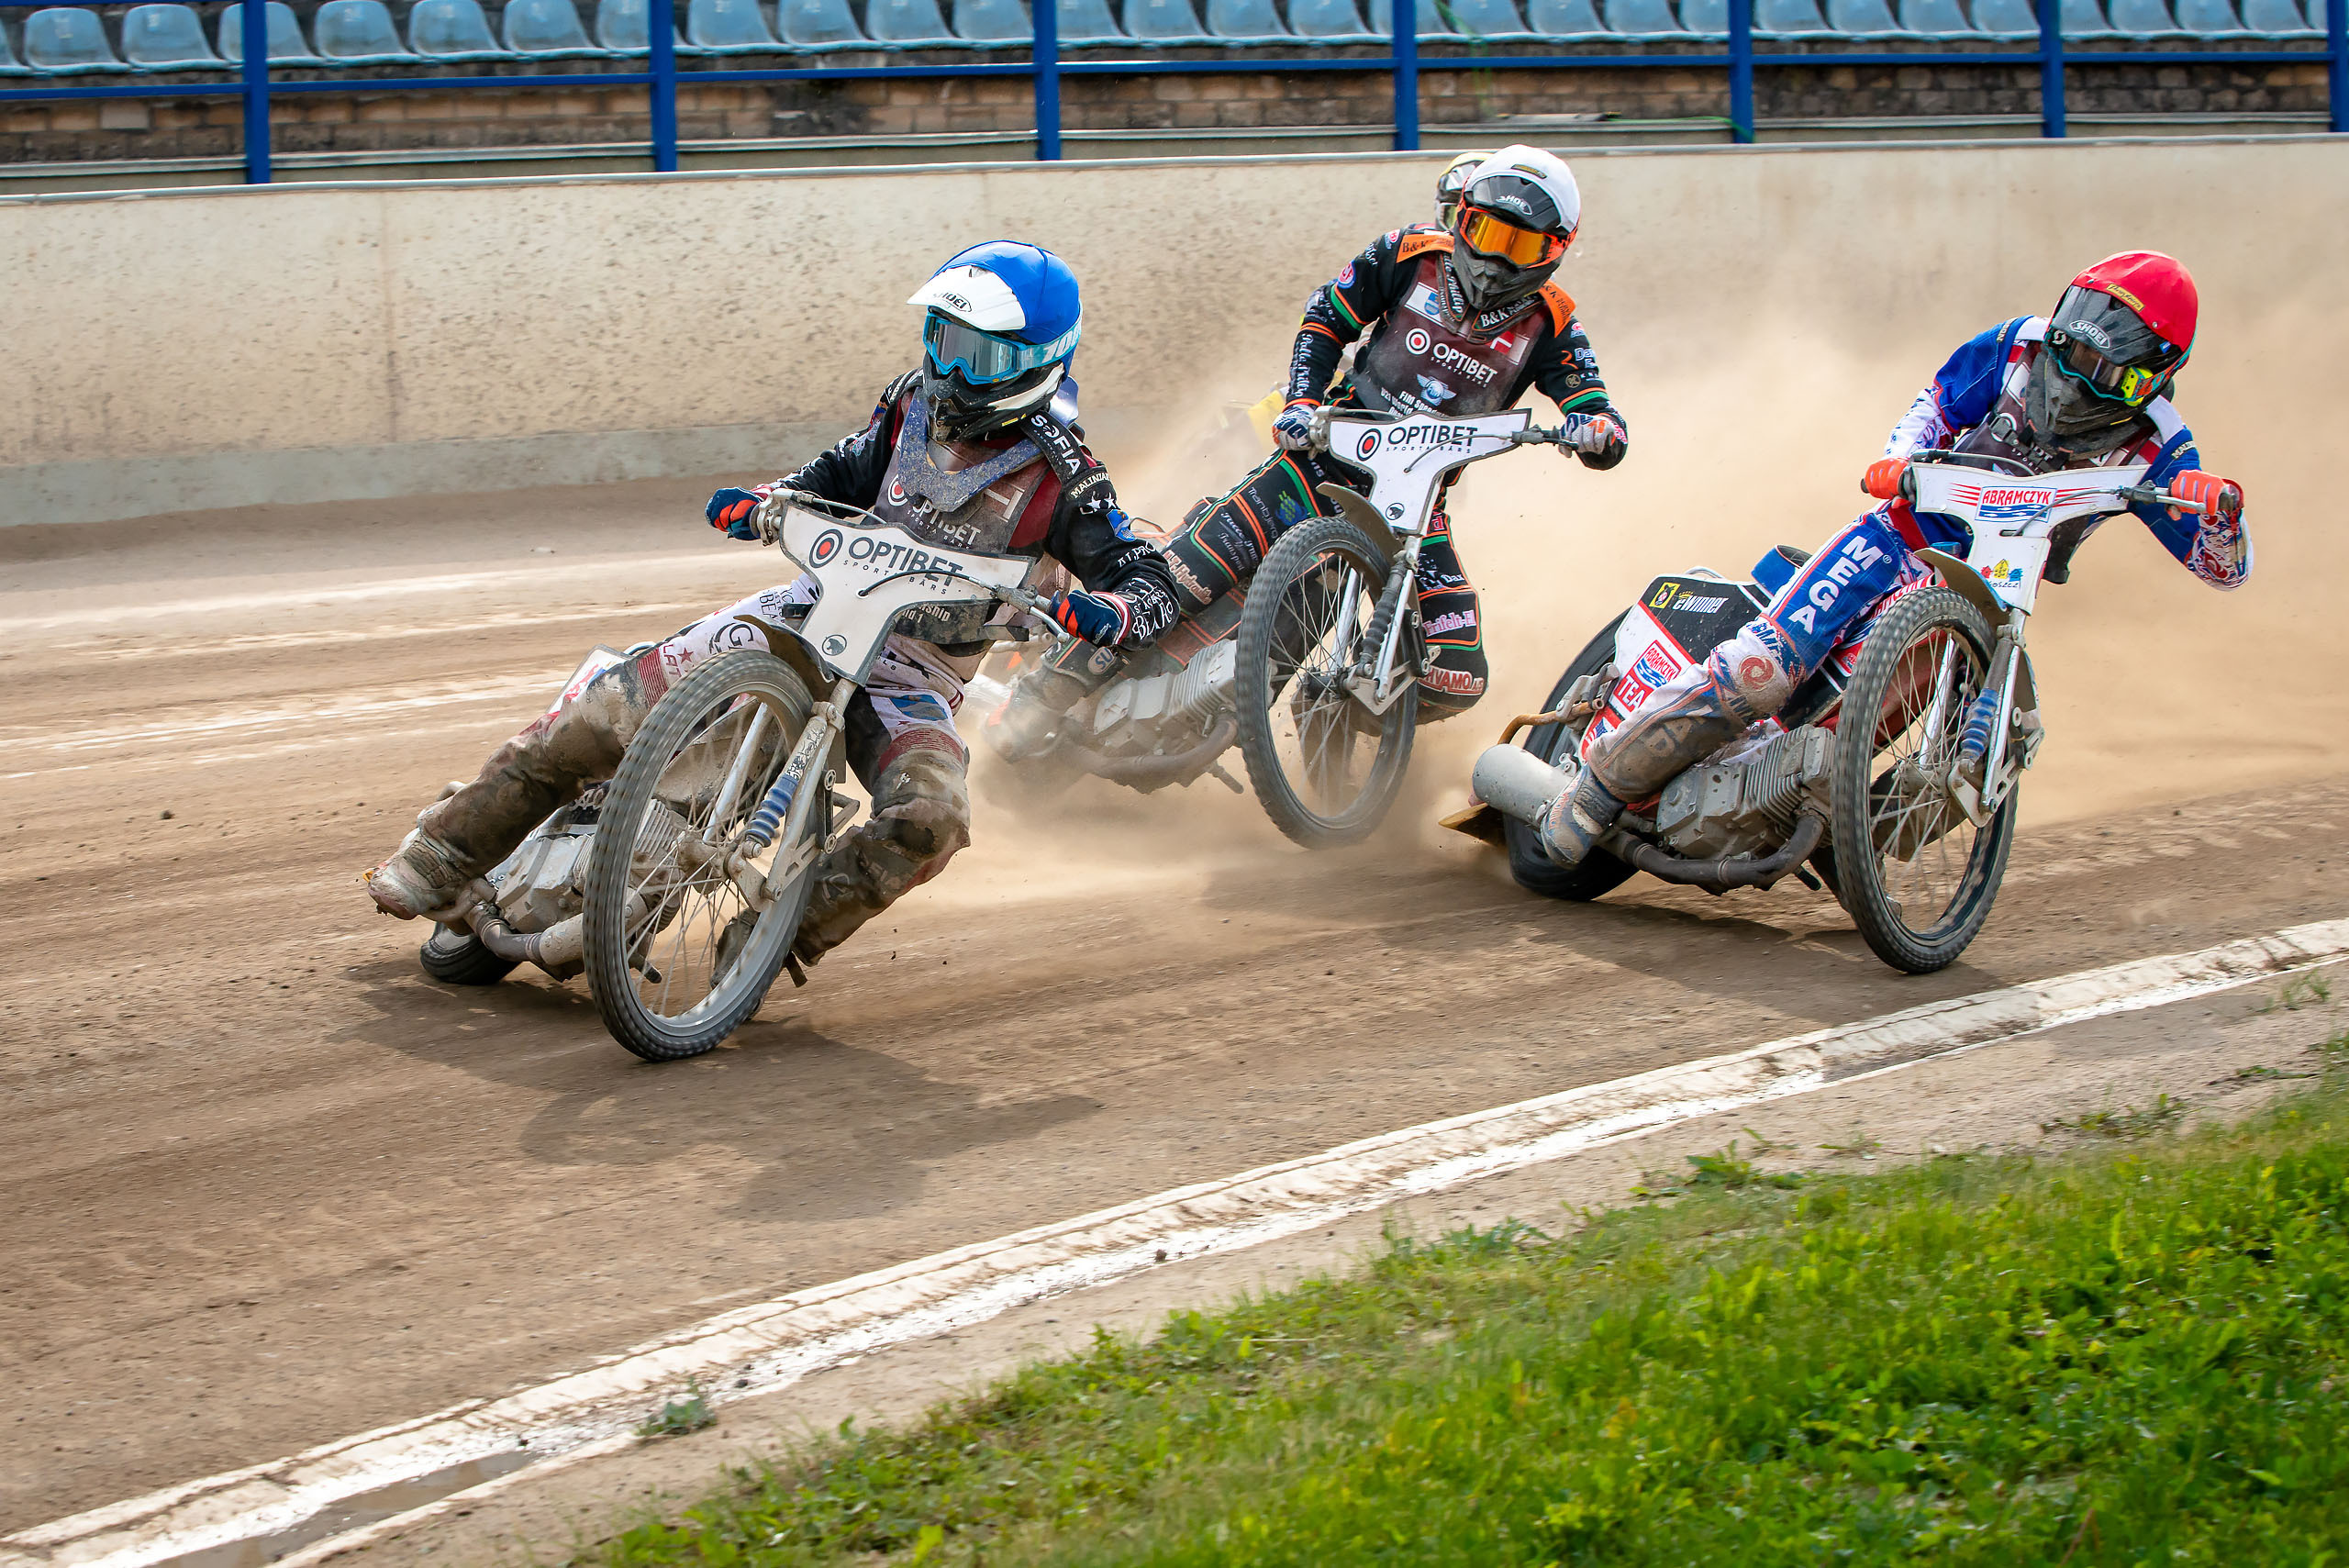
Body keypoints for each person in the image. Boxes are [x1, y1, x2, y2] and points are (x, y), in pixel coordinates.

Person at [366, 240, 1178, 965]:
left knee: (933, 816)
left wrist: (1114, 612)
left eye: (977, 355)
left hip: (909, 679)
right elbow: (839, 473)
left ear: (1037, 363)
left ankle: (776, 936)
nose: (951, 371)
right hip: (801, 616)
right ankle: (442, 853)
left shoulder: (1067, 478)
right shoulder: (910, 406)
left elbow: (1146, 577)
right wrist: (769, 500)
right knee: (605, 712)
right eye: (943, 341)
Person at [1538, 249, 2252, 868]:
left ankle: (1853, 852)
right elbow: (1935, 403)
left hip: (1986, 595)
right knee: (1760, 669)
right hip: (1898, 535)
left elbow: (2222, 568)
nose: (2071, 375)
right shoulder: (2016, 346)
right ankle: (1594, 791)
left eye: (2100, 369)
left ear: (2149, 379)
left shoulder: (2163, 443)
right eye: (2070, 350)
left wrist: (2223, 519)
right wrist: (1902, 460)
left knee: (1981, 741)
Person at [996, 145, 1629, 746]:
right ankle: (1039, 696)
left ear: (1557, 249)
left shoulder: (1553, 322)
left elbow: (1594, 405)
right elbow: (1326, 316)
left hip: (1415, 508)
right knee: (1173, 583)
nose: (1494, 260)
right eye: (1486, 233)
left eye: (1520, 245)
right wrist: (1301, 401)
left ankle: (1334, 712)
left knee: (1457, 673)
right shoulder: (1406, 253)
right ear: (1462, 218)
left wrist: (1598, 429)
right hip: (1318, 461)